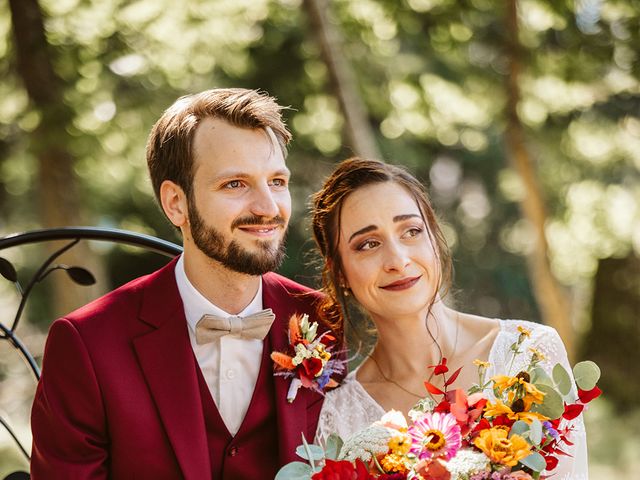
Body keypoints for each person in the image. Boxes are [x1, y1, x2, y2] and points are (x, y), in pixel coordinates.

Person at [30, 88, 331, 479]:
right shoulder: (88, 346)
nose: (268, 208)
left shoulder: (324, 321)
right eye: (235, 184)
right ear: (176, 203)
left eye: (276, 181)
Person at [311, 157, 587, 479]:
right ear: (339, 272)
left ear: (434, 239)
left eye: (411, 231)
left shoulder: (528, 353)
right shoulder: (337, 418)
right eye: (368, 244)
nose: (398, 261)